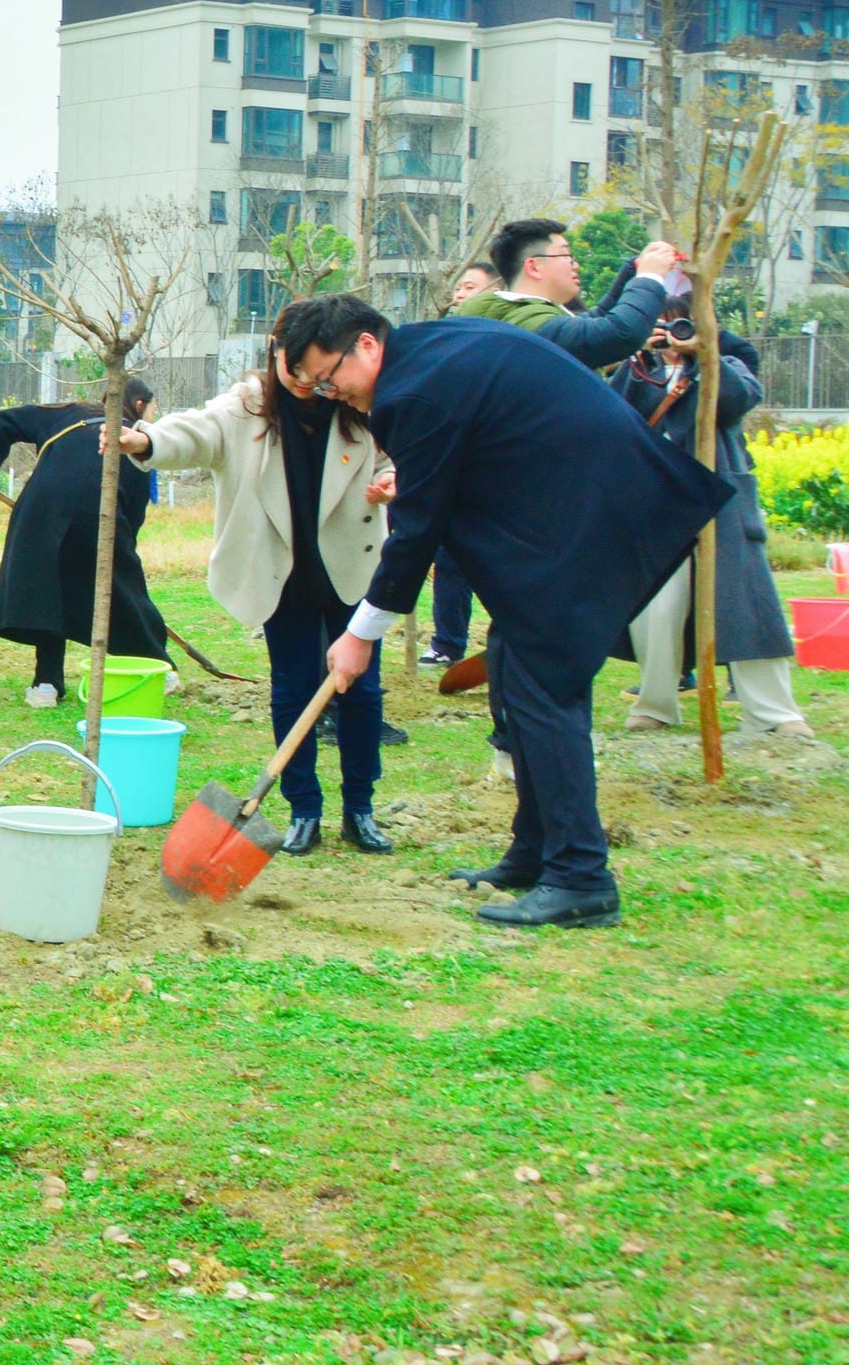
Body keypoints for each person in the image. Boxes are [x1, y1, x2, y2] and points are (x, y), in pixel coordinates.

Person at [290, 294, 727, 929]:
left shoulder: (410, 391)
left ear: (365, 344)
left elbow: (414, 533)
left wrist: (362, 634)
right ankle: (534, 851)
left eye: (330, 377)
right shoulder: (428, 352)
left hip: (587, 516)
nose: (334, 393)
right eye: (317, 387)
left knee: (545, 693)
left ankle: (581, 876)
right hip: (574, 509)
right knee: (513, 675)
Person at [125, 310, 396, 853]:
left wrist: (392, 477)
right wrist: (144, 442)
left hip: (352, 566)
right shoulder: (247, 406)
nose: (304, 381)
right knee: (293, 688)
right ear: (273, 354)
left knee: (360, 691)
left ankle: (360, 808)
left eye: (313, 372)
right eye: (291, 368)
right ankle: (304, 810)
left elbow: (399, 453)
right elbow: (194, 432)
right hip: (280, 571)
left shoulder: (358, 403)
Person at [611, 322, 806, 736]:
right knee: (657, 609)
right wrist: (639, 359)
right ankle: (656, 703)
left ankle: (774, 713)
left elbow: (736, 400)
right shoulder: (640, 369)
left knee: (746, 607)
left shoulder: (723, 366)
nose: (673, 336)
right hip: (658, 505)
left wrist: (704, 356)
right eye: (662, 326)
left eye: (682, 324)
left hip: (722, 505)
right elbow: (612, 411)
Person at [0, 381, 170, 709]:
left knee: (48, 594)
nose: (152, 417)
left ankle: (47, 685)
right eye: (153, 409)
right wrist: (125, 550)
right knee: (125, 592)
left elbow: (6, 420)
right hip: (96, 514)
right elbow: (134, 509)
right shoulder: (136, 440)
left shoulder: (69, 413)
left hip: (39, 514)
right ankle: (159, 668)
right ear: (140, 404)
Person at [453, 219, 686, 369]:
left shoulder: (516, 314)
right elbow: (619, 334)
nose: (576, 265)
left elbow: (597, 317)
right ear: (533, 266)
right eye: (566, 255)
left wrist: (633, 270)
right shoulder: (527, 325)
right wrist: (650, 276)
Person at [421, 261, 499, 668]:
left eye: (470, 287)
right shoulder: (449, 344)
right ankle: (447, 644)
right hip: (453, 477)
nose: (459, 296)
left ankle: (511, 639)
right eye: (458, 289)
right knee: (448, 562)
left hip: (497, 482)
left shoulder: (505, 344)